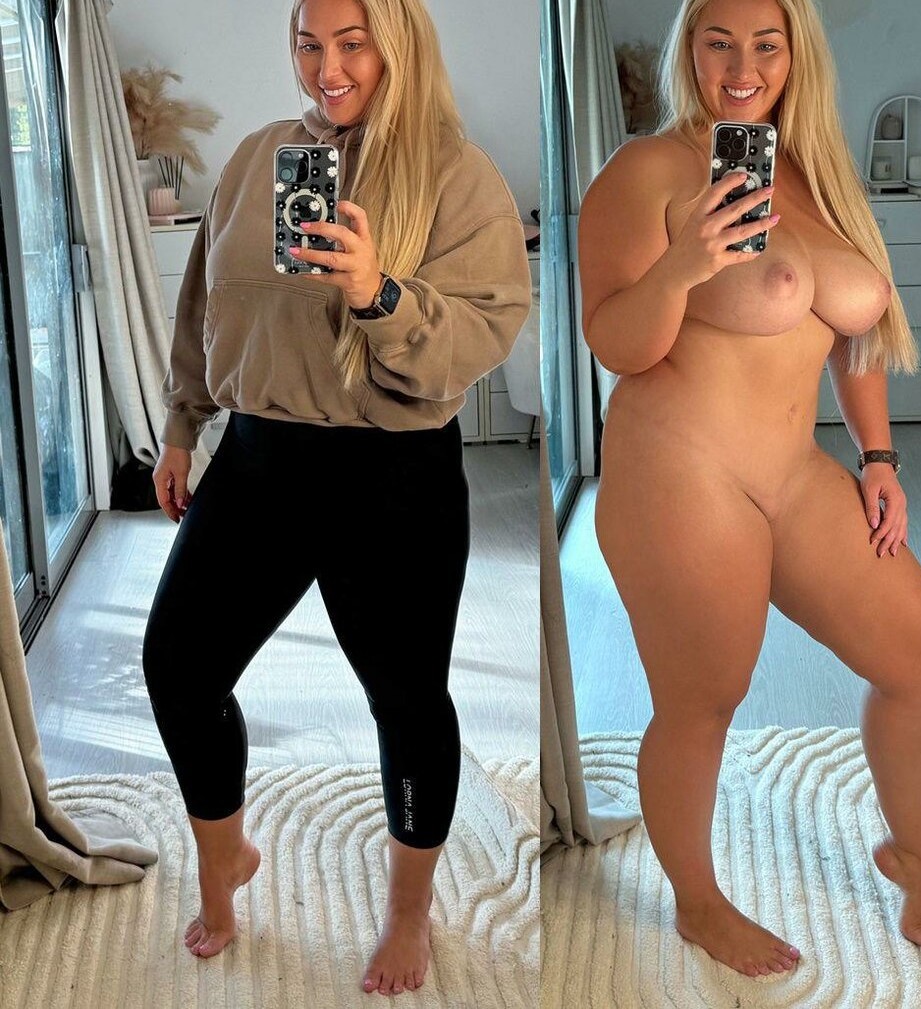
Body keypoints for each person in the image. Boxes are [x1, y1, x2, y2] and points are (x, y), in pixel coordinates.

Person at [142, 0, 530, 995]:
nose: (328, 67)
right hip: (260, 459)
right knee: (178, 665)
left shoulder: (457, 176)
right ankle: (226, 856)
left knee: (406, 699)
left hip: (392, 473)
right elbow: (205, 303)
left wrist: (376, 292)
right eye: (310, 44)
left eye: (353, 44)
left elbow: (483, 334)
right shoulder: (262, 157)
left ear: (398, 45)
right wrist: (184, 423)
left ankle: (408, 912)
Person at [577, 0, 921, 979]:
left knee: (920, 648)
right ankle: (698, 904)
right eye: (718, 41)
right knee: (704, 696)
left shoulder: (816, 172)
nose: (741, 65)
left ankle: (914, 853)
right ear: (689, 49)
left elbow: (857, 331)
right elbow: (613, 340)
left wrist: (879, 457)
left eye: (765, 44)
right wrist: (683, 267)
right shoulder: (646, 172)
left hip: (792, 470)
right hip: (679, 470)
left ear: (795, 55)